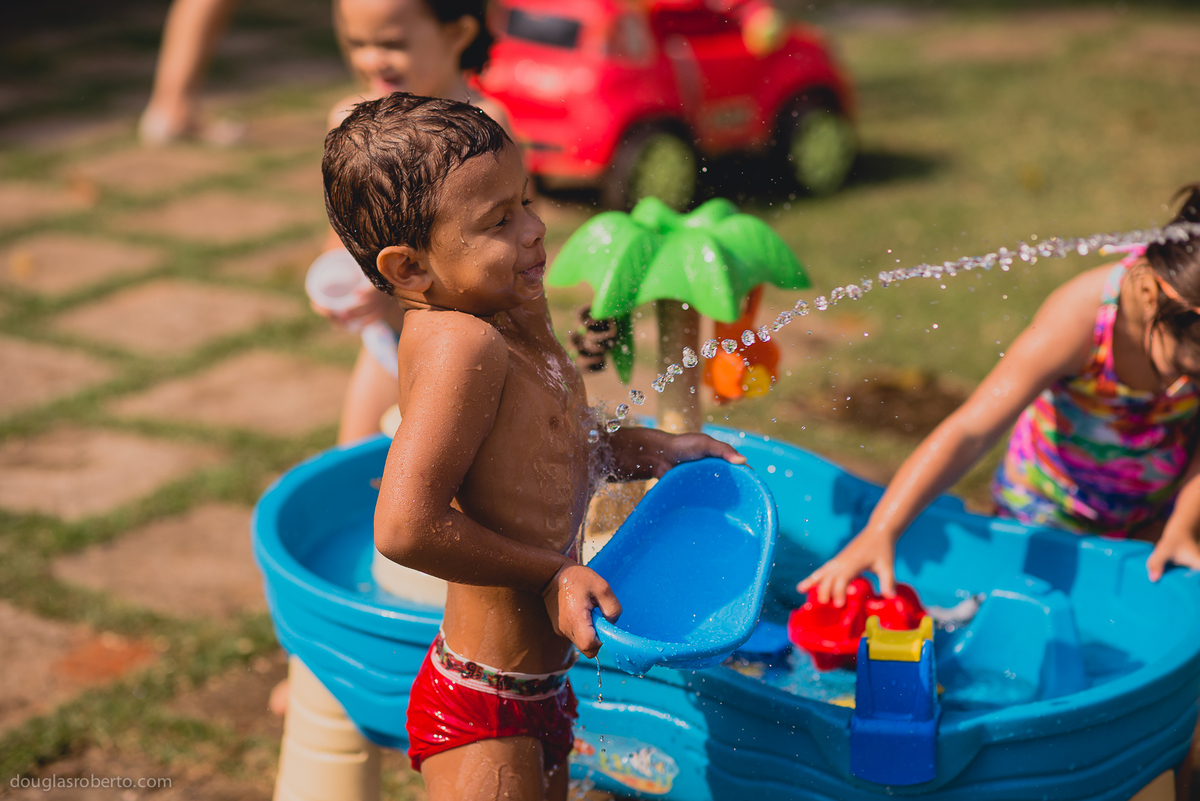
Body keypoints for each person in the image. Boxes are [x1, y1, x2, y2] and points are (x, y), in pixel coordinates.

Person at [323, 92, 745, 800]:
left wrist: (630, 448)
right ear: (409, 270)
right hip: (482, 705)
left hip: (537, 689)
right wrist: (552, 573)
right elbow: (403, 527)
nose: (534, 229)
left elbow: (539, 448)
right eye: (499, 220)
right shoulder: (461, 346)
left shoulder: (509, 314)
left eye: (525, 200)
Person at [799, 184, 1200, 607]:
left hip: (1155, 517)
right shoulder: (1080, 319)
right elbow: (971, 430)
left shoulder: (1187, 331)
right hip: (1042, 515)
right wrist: (882, 529)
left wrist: (1184, 524)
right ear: (1150, 295)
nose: (1185, 383)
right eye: (1186, 370)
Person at [317, 0, 510, 444]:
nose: (371, 59)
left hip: (475, 346)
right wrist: (335, 280)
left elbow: (509, 233)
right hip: (389, 341)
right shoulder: (348, 124)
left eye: (392, 43)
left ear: (456, 34)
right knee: (355, 461)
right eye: (357, 43)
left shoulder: (487, 124)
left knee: (468, 467)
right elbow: (341, 234)